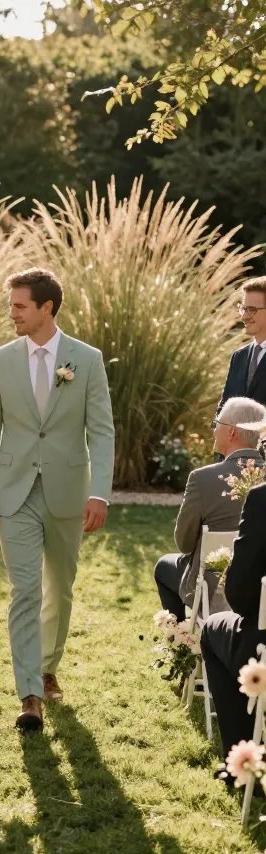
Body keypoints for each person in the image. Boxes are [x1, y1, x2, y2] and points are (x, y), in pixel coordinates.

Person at [0, 267, 115, 732]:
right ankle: (30, 692)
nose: (11, 312)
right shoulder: (0, 360)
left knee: (61, 586)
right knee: (25, 590)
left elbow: (102, 431)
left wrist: (99, 492)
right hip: (13, 493)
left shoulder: (86, 360)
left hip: (69, 491)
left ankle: (49, 664)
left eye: (19, 305)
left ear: (46, 308)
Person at [154, 396, 266, 621]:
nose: (214, 430)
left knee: (163, 567)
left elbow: (184, 544)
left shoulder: (202, 479)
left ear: (232, 432)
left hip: (211, 591)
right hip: (260, 587)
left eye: (217, 424)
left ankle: (183, 644)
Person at [201, 482, 266, 768]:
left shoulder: (262, 498)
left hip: (263, 649)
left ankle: (244, 759)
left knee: (213, 627)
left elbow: (239, 596)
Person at [216, 277, 266, 414]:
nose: (244, 316)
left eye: (252, 310)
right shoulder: (238, 356)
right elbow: (224, 406)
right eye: (243, 309)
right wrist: (217, 429)